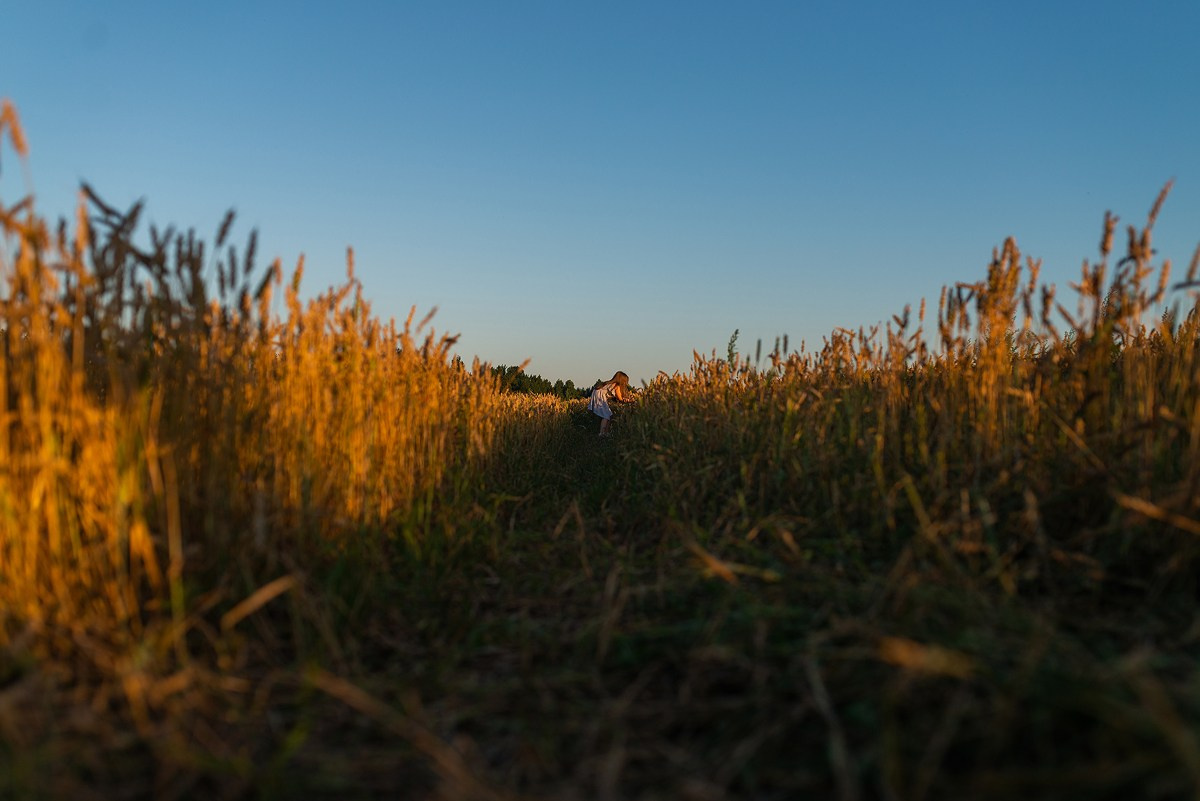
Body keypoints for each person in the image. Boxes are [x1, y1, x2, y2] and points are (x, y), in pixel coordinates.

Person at [588, 371, 635, 437]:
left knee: (609, 415)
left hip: (596, 393)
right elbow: (620, 398)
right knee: (606, 415)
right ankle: (602, 434)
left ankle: (606, 433)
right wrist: (629, 401)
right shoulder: (616, 386)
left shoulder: (610, 383)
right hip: (599, 396)